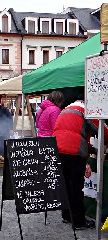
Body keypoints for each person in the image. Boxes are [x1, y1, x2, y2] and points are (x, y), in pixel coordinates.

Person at [53, 94, 108, 230]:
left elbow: (72, 129)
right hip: (74, 149)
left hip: (57, 147)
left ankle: (66, 215)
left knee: (65, 184)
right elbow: (102, 130)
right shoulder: (86, 109)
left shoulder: (66, 109)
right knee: (76, 186)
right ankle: (78, 222)